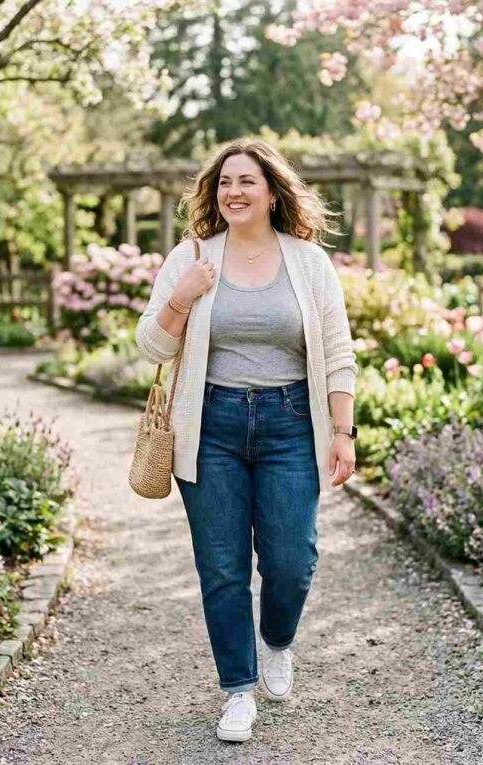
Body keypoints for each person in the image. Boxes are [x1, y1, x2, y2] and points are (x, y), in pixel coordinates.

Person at [134, 139, 358, 744]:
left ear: (271, 191)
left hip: (291, 424)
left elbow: (337, 353)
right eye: (224, 182)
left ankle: (277, 640)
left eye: (247, 181)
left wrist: (343, 431)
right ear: (214, 193)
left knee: (291, 559)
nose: (234, 191)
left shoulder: (307, 262)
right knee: (222, 568)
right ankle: (237, 690)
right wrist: (185, 295)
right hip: (210, 428)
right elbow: (151, 347)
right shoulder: (192, 256)